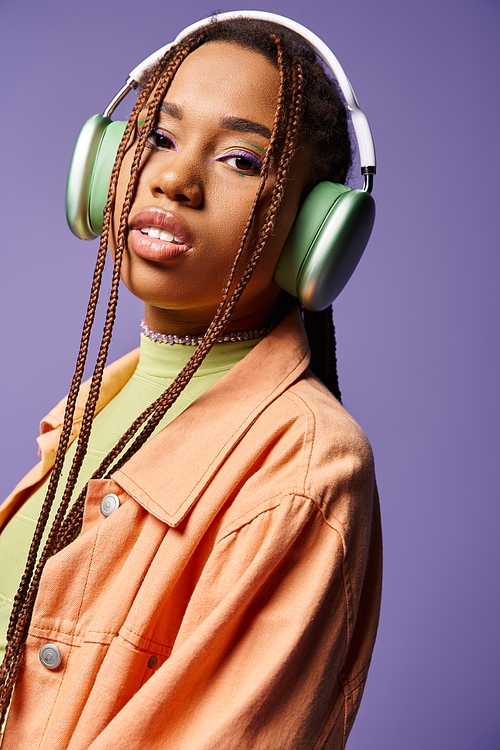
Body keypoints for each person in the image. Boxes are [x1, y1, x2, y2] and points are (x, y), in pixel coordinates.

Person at [0, 12, 382, 749]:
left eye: (241, 160)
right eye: (159, 137)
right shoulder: (93, 414)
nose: (173, 178)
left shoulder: (305, 471)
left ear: (314, 231)